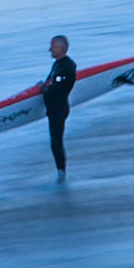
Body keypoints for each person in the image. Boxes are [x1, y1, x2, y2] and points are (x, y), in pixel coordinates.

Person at [41, 35, 77, 176]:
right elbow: (49, 83)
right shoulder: (57, 64)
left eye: (52, 46)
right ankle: (61, 173)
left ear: (61, 48)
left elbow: (55, 90)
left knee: (56, 142)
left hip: (59, 108)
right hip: (53, 108)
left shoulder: (67, 67)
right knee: (54, 142)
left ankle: (62, 174)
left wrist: (44, 90)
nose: (50, 49)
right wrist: (44, 87)